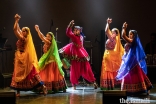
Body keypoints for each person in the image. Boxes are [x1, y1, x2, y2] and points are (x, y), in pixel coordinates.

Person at [10, 14, 47, 97]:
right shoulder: (23, 36)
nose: (22, 32)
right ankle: (18, 92)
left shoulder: (23, 38)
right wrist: (17, 21)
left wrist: (16, 20)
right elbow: (18, 29)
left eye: (24, 31)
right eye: (22, 31)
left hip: (24, 58)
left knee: (32, 73)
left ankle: (43, 86)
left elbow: (15, 30)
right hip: (20, 57)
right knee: (18, 74)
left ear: (27, 33)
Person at [116, 22, 153, 95]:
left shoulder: (133, 41)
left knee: (135, 74)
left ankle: (144, 88)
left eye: (131, 34)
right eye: (129, 34)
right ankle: (129, 89)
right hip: (128, 59)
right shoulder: (130, 41)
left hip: (133, 60)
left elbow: (123, 36)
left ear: (134, 35)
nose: (129, 35)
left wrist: (124, 28)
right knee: (128, 74)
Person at [59, 20, 97, 90]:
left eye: (77, 30)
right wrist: (70, 25)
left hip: (82, 54)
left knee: (87, 68)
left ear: (80, 31)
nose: (75, 31)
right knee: (74, 69)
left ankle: (93, 81)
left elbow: (81, 44)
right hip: (75, 55)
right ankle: (74, 84)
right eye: (74, 30)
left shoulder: (81, 37)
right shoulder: (74, 36)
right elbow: (68, 33)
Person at [34, 25, 67, 93]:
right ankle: (45, 87)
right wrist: (38, 31)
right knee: (47, 74)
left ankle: (54, 88)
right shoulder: (47, 42)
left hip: (51, 62)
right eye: (47, 36)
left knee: (50, 75)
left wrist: (38, 30)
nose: (47, 37)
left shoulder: (49, 42)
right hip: (47, 60)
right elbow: (43, 37)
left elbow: (42, 37)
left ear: (52, 38)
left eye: (49, 36)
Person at [100, 18, 124, 90]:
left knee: (108, 69)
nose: (112, 33)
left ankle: (109, 85)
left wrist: (108, 23)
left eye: (113, 32)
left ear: (116, 34)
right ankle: (110, 84)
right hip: (108, 55)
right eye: (112, 32)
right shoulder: (115, 39)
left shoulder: (112, 39)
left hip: (109, 55)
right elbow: (108, 31)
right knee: (108, 70)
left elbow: (106, 30)